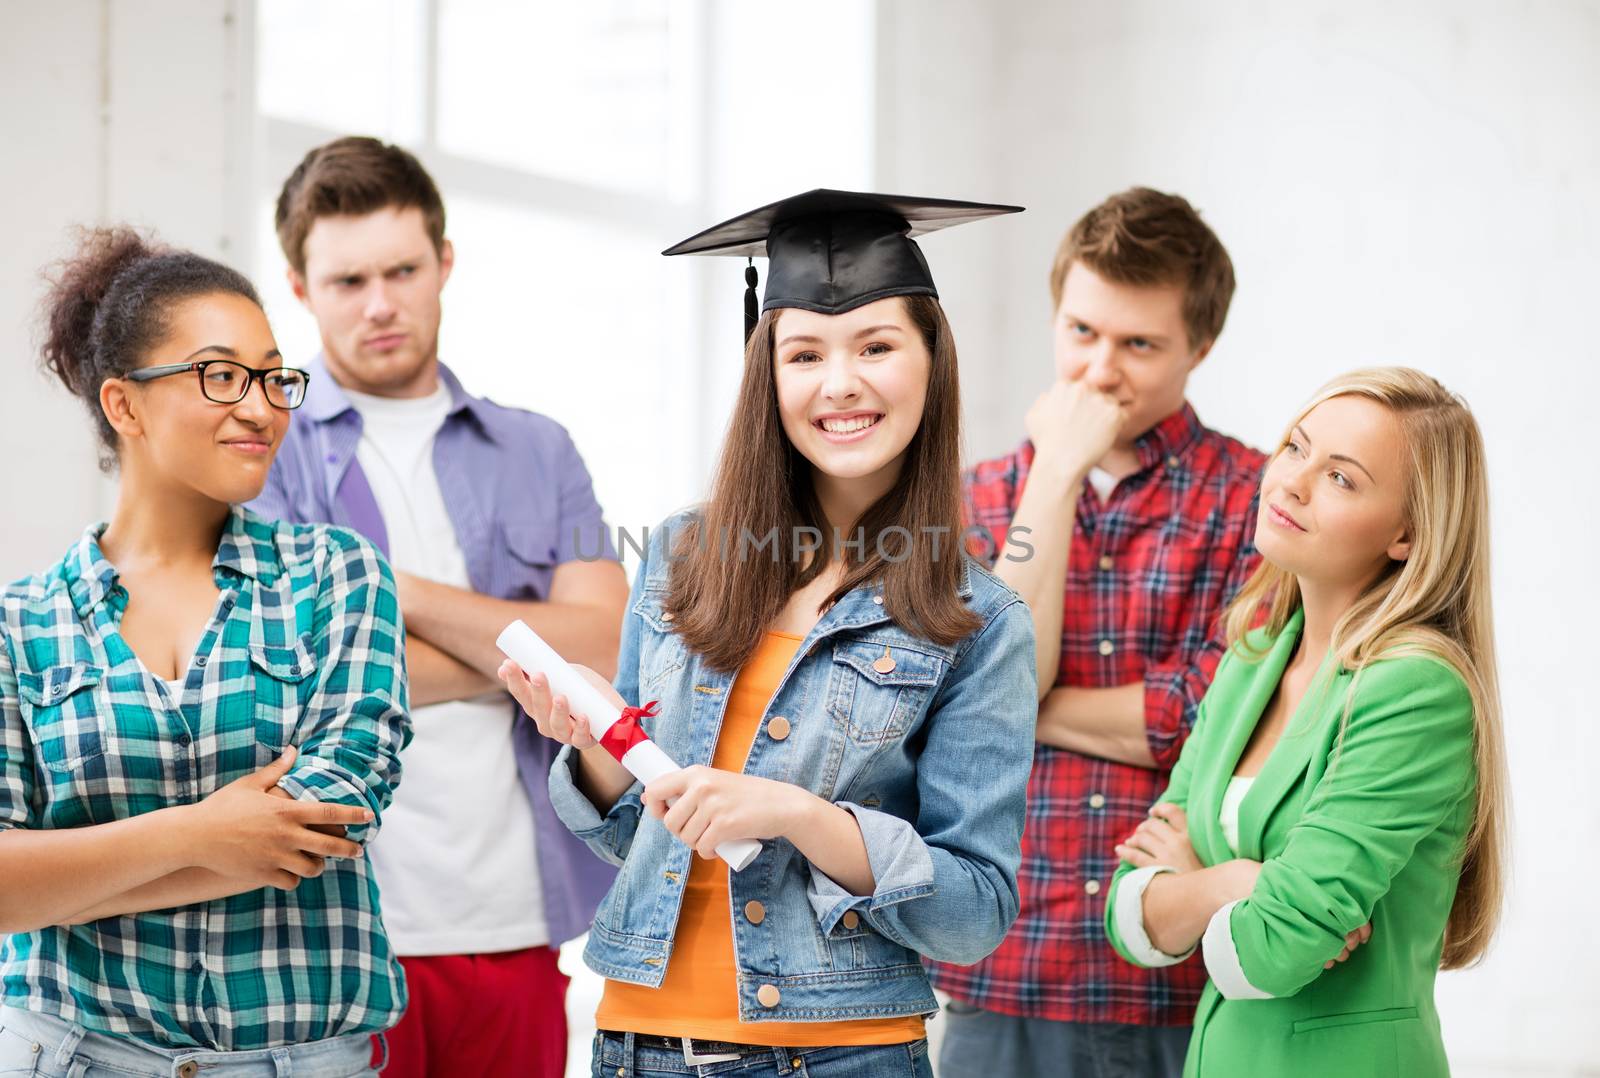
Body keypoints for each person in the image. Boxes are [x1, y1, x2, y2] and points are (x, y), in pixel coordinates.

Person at [499, 189, 1039, 1078]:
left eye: (876, 346)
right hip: (638, 1047)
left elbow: (974, 913)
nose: (841, 383)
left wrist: (801, 817)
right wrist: (594, 746)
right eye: (805, 353)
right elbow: (642, 840)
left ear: (931, 361)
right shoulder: (681, 555)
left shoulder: (979, 623)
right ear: (769, 372)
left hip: (835, 1058)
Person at [251, 136, 627, 1078]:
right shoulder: (261, 449)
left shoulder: (540, 452)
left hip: (514, 923)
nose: (381, 303)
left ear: (444, 262)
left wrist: (385, 588)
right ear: (300, 288)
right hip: (333, 937)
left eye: (404, 270)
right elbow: (283, 680)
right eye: (348, 281)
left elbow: (611, 648)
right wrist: (526, 653)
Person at [0, 227, 409, 1076]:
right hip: (67, 1054)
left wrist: (63, 881)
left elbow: (322, 825)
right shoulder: (21, 624)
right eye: (220, 375)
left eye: (273, 377)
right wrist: (204, 831)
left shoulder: (337, 576)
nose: (260, 407)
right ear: (125, 405)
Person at [928, 187, 1266, 1078]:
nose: (1099, 371)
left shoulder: (1262, 502)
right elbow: (956, 716)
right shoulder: (978, 497)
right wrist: (1058, 475)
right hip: (1000, 966)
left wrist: (1012, 705)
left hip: (1169, 976)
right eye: (1081, 332)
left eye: (1139, 344)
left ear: (1201, 345)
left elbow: (1206, 720)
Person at [1104, 367, 1508, 1077]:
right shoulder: (1251, 660)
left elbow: (1275, 951)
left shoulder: (1416, 688)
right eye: (1296, 447)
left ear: (1408, 535)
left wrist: (1193, 887)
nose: (1291, 481)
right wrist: (1239, 882)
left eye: (1342, 478)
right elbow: (1129, 916)